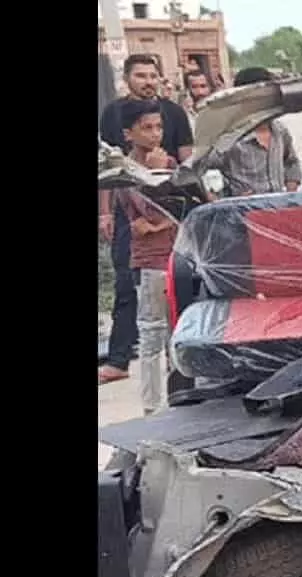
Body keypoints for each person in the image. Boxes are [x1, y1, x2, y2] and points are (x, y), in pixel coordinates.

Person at [98, 54, 194, 386]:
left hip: (169, 208)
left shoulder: (174, 112)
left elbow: (187, 165)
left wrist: (173, 182)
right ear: (127, 79)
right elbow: (109, 168)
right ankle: (120, 358)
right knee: (128, 284)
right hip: (131, 207)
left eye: (153, 75)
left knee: (177, 303)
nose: (148, 81)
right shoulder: (113, 114)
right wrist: (105, 211)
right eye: (141, 75)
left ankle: (179, 381)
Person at [115, 99, 180, 415]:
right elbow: (148, 217)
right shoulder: (125, 172)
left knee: (177, 332)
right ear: (129, 134)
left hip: (176, 255)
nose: (155, 134)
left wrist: (166, 220)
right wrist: (155, 174)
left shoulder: (170, 164)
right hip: (149, 260)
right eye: (147, 128)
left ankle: (179, 398)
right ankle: (152, 407)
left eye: (159, 127)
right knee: (152, 333)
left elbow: (184, 207)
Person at [211, 68, 302, 196]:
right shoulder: (229, 136)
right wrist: (215, 198)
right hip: (242, 207)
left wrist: (290, 192)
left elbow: (291, 162)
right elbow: (198, 169)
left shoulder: (280, 131)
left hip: (277, 206)